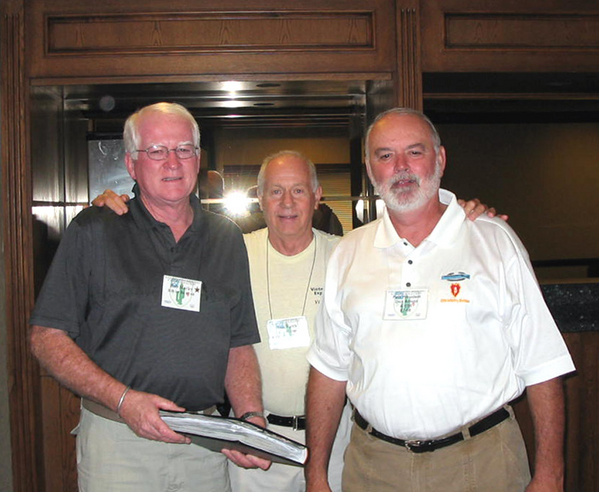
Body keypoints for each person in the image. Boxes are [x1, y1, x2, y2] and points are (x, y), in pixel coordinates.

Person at [95, 147, 499, 492]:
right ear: (260, 199)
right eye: (275, 192)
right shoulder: (227, 251)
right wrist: (117, 214)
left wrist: (461, 215)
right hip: (255, 439)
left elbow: (420, 264)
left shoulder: (354, 254)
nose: (287, 203)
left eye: (298, 191)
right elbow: (163, 260)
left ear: (318, 196)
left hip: (337, 439)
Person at [305, 108, 575, 492]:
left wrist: (551, 474)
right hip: (373, 468)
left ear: (441, 159)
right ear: (369, 168)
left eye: (414, 152)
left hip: (481, 464)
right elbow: (329, 370)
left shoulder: (494, 241)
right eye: (385, 155)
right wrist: (316, 475)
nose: (400, 167)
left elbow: (542, 363)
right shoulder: (348, 253)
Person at [29, 102, 269, 492]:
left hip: (203, 446)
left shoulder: (226, 238)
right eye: (157, 151)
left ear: (198, 157)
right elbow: (46, 337)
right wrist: (124, 400)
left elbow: (237, 343)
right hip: (120, 444)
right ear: (131, 164)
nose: (172, 162)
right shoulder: (95, 230)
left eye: (184, 149)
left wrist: (250, 416)